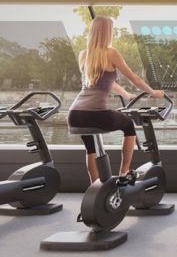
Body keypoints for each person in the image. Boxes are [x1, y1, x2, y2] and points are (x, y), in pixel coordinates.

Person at [68, 16, 164, 184]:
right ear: (107, 33)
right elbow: (135, 79)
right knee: (128, 125)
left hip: (75, 113)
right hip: (96, 113)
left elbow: (100, 82)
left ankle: (96, 189)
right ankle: (123, 172)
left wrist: (126, 95)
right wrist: (153, 93)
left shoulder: (84, 55)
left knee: (91, 149)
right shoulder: (111, 53)